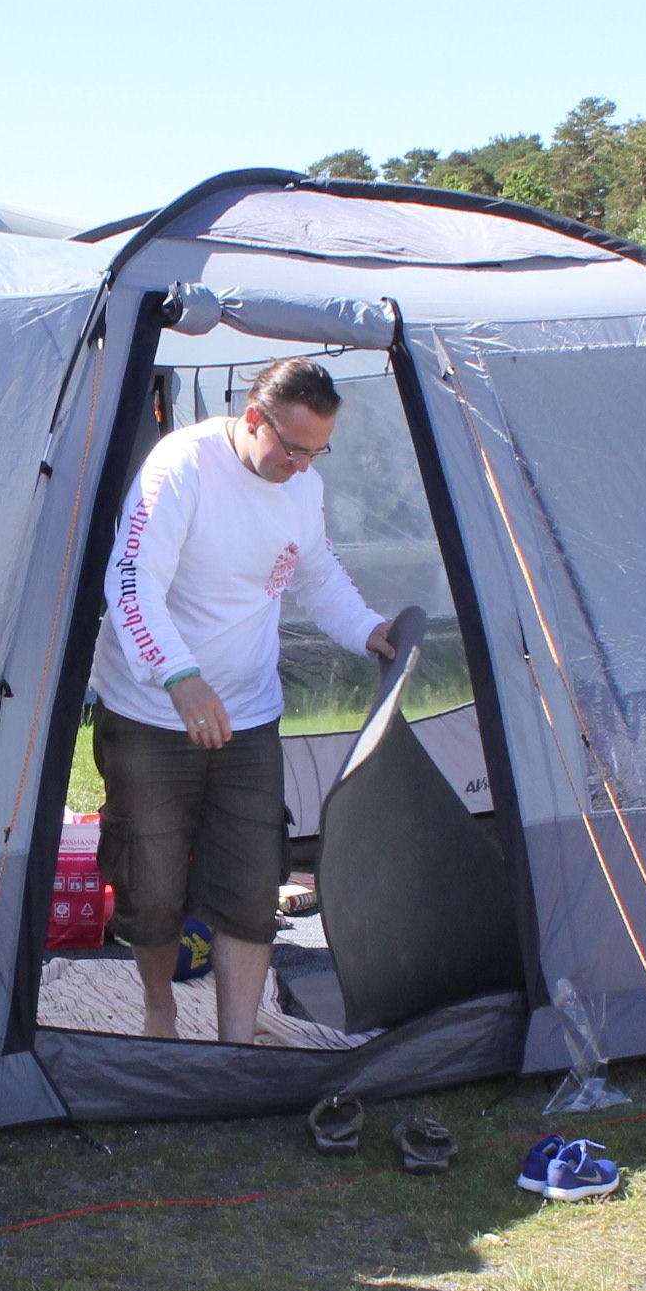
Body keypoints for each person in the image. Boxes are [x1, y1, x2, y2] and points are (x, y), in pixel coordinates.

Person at [91, 353, 393, 1044]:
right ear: (253, 418)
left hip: (249, 713)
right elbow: (132, 584)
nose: (304, 467)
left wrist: (366, 630)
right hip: (151, 713)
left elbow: (317, 574)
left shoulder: (301, 485)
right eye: (292, 449)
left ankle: (235, 1045)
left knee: (252, 885)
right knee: (154, 884)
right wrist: (179, 676)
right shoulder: (182, 467)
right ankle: (160, 1008)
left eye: (318, 452)